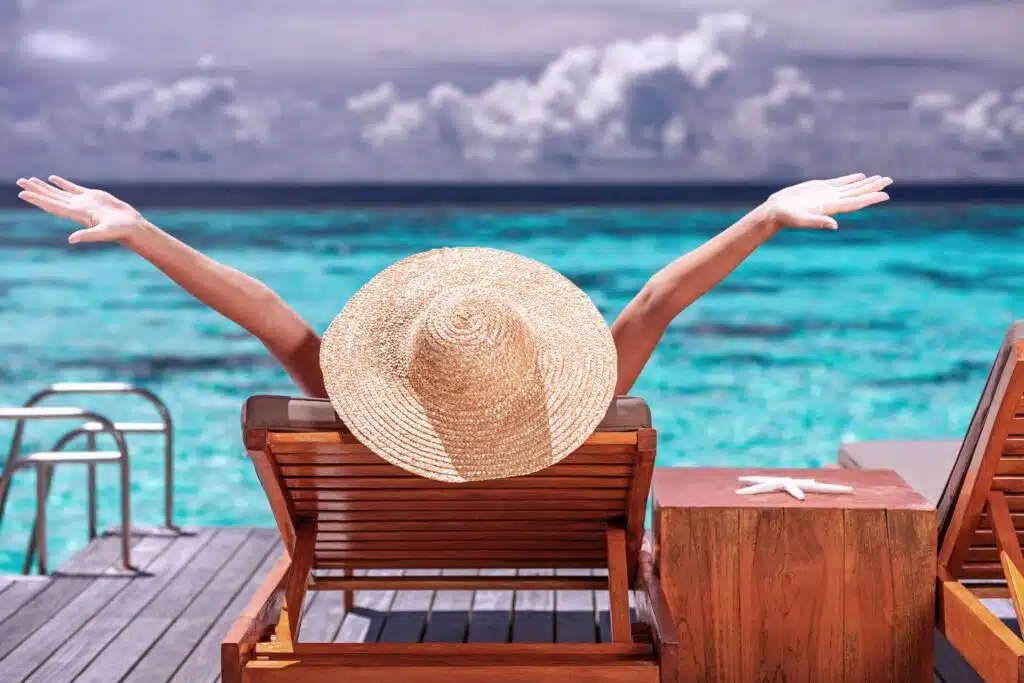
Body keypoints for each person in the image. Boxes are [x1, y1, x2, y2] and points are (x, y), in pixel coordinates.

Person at [14, 173, 891, 401]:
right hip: (570, 542)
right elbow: (660, 299)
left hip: (379, 541)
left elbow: (263, 313)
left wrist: (144, 235)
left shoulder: (345, 399)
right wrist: (766, 216)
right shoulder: (589, 404)